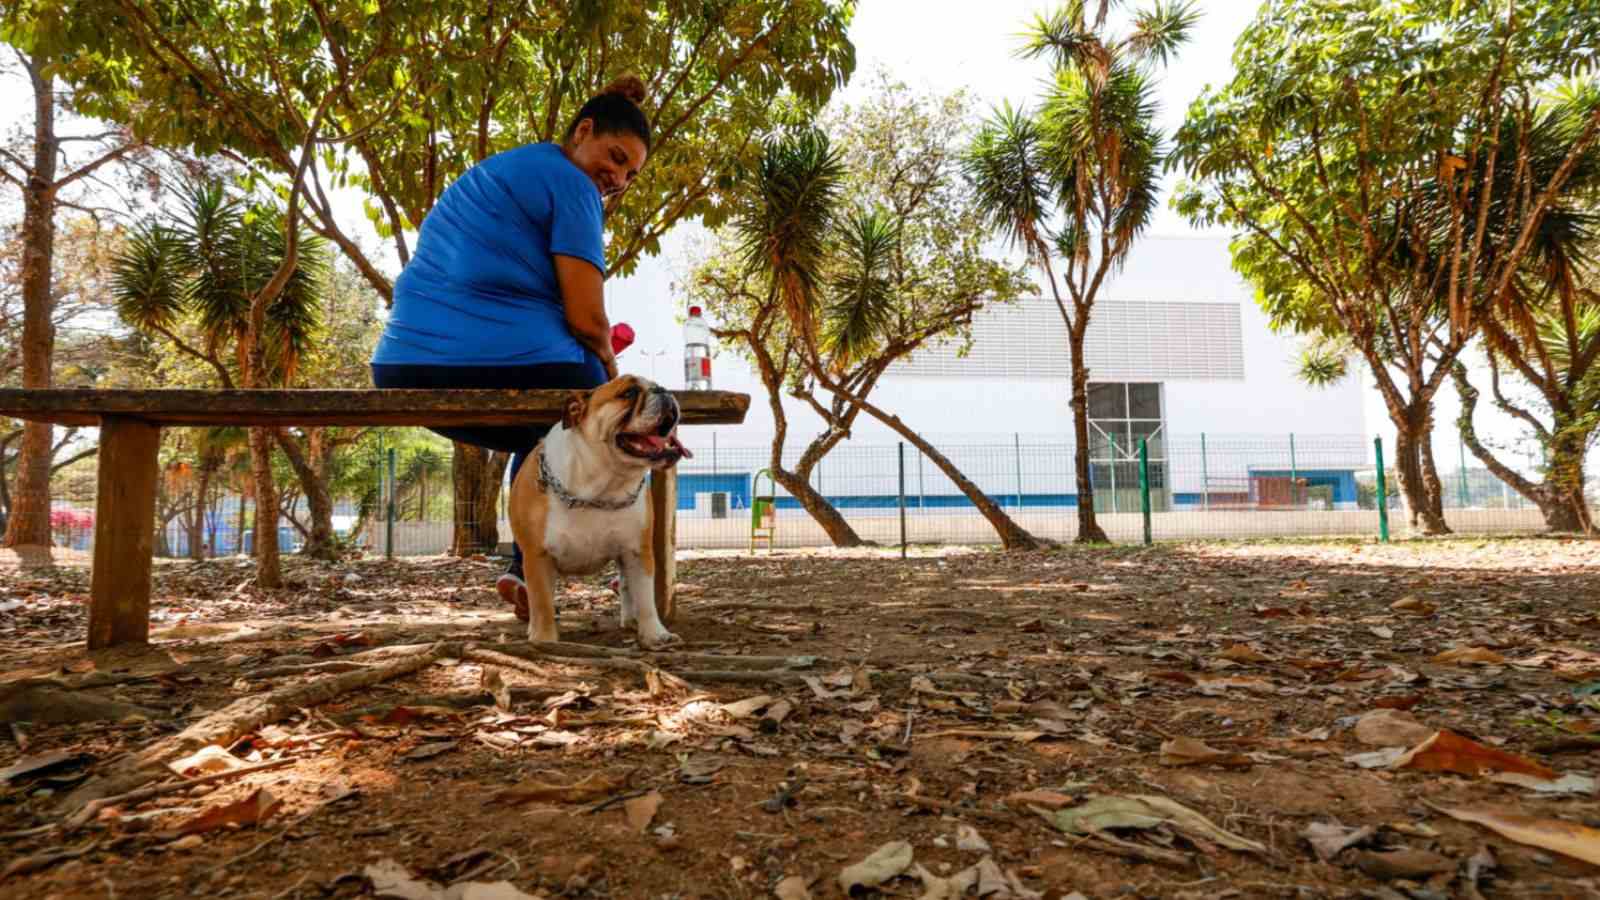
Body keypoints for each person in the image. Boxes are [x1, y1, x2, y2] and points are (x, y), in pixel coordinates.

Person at [370, 75, 651, 618]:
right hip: (486, 362)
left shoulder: (510, 168)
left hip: (402, 366)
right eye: (614, 158)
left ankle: (527, 571)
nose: (615, 178)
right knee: (610, 417)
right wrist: (611, 374)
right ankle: (613, 569)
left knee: (546, 432)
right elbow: (588, 319)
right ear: (583, 131)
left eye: (629, 174)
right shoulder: (571, 184)